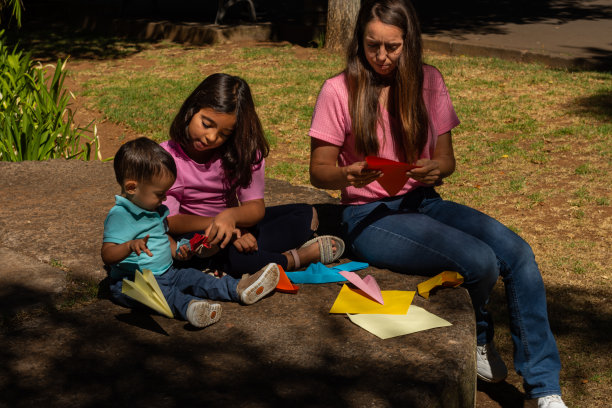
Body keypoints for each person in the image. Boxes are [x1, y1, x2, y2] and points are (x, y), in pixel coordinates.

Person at [308, 1, 566, 407]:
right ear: (359, 41)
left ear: (409, 43)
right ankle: (479, 338)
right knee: (479, 260)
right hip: (366, 216)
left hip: (422, 200)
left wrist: (434, 170)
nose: (381, 57)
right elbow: (318, 170)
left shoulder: (429, 81)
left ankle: (545, 388)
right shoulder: (338, 89)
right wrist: (347, 174)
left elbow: (447, 160)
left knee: (518, 253)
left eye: (392, 47)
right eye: (372, 45)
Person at [161, 73, 344, 276]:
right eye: (206, 124)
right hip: (193, 235)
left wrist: (232, 219)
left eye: (224, 134)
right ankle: (291, 259)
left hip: (233, 227)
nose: (211, 137)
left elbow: (255, 208)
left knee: (304, 215)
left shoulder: (241, 152)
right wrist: (223, 225)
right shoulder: (166, 158)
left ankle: (247, 256)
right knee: (221, 252)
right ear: (192, 109)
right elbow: (171, 221)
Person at [101, 137, 280, 329]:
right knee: (168, 297)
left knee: (198, 278)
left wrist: (178, 250)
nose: (164, 198)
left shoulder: (153, 209)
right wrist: (129, 246)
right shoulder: (120, 215)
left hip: (168, 272)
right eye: (159, 194)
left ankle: (238, 289)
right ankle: (191, 309)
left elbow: (163, 239)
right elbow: (107, 254)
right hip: (134, 283)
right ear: (131, 187)